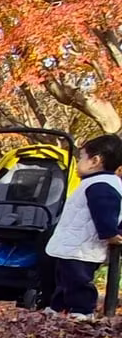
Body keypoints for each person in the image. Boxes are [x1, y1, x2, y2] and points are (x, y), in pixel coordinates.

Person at [43, 134, 122, 320]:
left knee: (78, 281)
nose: (78, 162)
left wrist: (110, 234)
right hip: (73, 244)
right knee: (65, 280)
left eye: (81, 157)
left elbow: (105, 212)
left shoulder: (101, 185)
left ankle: (82, 312)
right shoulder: (94, 183)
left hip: (82, 247)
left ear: (95, 161)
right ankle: (58, 308)